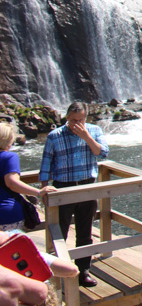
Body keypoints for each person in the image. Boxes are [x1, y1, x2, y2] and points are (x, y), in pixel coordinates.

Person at [38, 102, 109, 288]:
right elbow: (46, 164)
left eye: (81, 120)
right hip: (62, 188)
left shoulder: (93, 131)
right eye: (73, 120)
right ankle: (59, 272)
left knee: (85, 232)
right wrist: (44, 189)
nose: (77, 123)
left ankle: (83, 271)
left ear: (86, 118)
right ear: (67, 117)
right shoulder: (55, 136)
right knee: (59, 232)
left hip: (86, 187)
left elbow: (103, 154)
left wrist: (86, 137)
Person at [0, 124, 55, 231]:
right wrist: (38, 192)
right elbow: (11, 183)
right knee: (10, 247)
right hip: (6, 214)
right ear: (8, 140)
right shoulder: (9, 157)